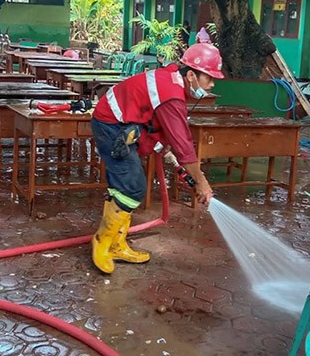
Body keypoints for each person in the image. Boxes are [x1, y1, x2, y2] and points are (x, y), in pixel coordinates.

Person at [89, 42, 224, 274]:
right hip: (111, 124)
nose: (212, 85)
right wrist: (201, 182)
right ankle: (102, 243)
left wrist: (164, 145)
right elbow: (184, 146)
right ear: (191, 75)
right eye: (209, 78)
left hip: (124, 124)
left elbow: (162, 124)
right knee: (132, 186)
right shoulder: (172, 94)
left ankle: (117, 245)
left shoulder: (173, 82)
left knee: (124, 186)